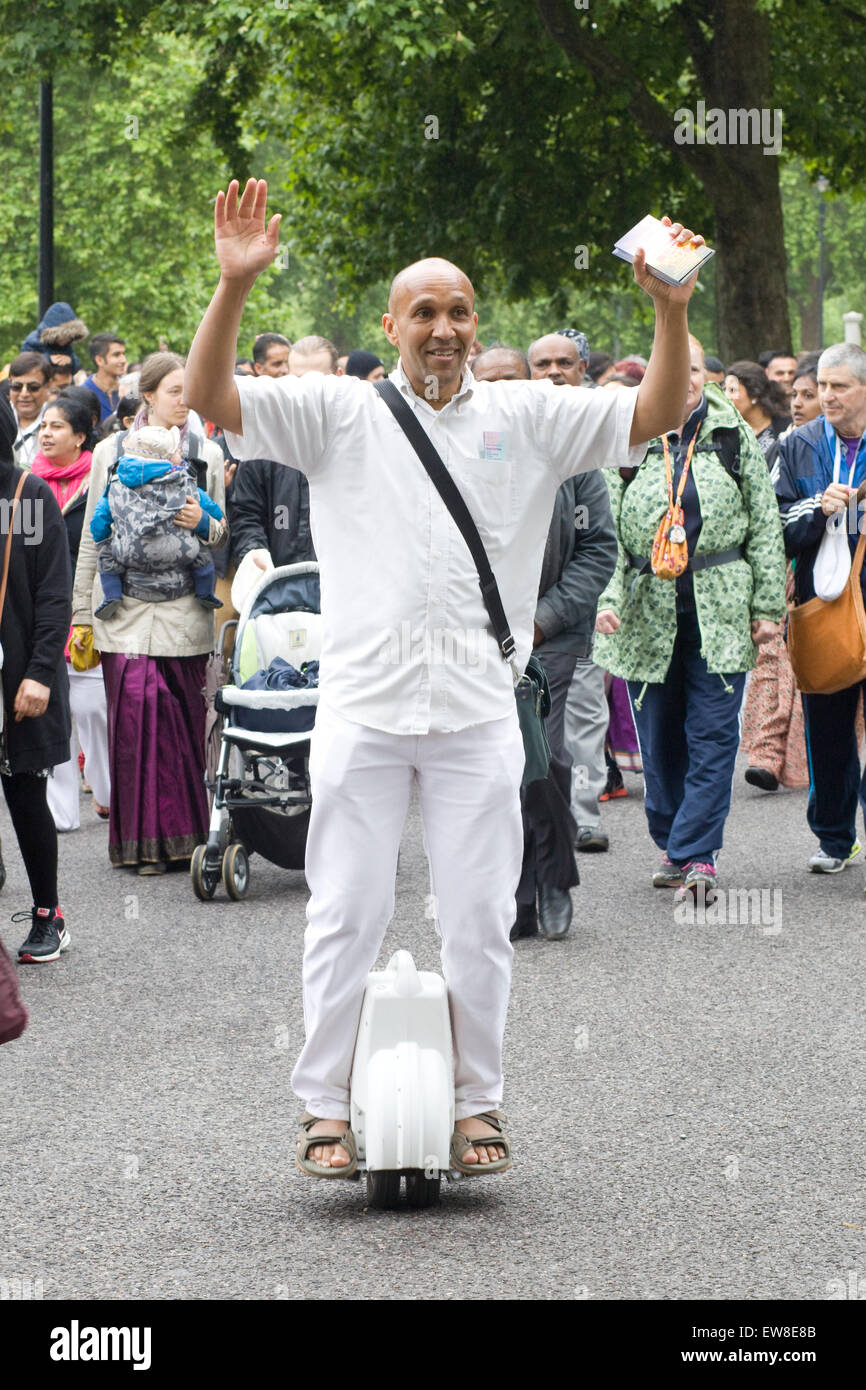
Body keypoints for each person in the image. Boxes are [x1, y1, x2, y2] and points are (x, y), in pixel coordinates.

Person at [185, 177, 702, 1176]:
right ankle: (322, 1107)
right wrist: (233, 287)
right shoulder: (338, 413)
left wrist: (668, 311)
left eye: (459, 310)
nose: (444, 326)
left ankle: (477, 1106)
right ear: (390, 323)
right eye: (423, 310)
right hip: (364, 712)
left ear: (477, 325)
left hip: (474, 711)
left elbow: (658, 409)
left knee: (475, 917)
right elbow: (213, 399)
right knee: (345, 910)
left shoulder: (530, 412)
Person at [594, 335, 786, 898]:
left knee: (712, 734)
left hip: (720, 607)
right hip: (647, 607)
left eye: (696, 368)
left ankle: (697, 853)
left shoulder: (731, 437)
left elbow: (765, 527)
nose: (687, 378)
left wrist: (768, 607)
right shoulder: (629, 437)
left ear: (705, 374)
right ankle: (671, 838)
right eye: (676, 368)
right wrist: (606, 601)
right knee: (659, 739)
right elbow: (604, 533)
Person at [472, 345, 618, 937]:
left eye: (513, 380)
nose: (504, 390)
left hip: (549, 636)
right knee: (489, 768)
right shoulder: (457, 451)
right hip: (473, 636)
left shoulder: (570, 454)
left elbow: (598, 549)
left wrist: (543, 620)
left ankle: (549, 881)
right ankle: (508, 893)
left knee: (542, 757)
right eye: (493, 381)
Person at [71, 352, 227, 874]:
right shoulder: (109, 453)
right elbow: (93, 540)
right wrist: (80, 613)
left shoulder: (204, 450)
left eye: (192, 391)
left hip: (184, 612)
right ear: (150, 395)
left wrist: (199, 522)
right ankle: (141, 849)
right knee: (135, 724)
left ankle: (187, 842)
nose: (186, 401)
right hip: (125, 613)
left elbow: (219, 532)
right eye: (177, 391)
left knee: (183, 728)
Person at [774, 342, 866, 875]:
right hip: (823, 603)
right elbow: (775, 527)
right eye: (821, 386)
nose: (825, 397)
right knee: (827, 726)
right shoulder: (800, 445)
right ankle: (834, 837)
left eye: (839, 387)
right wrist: (817, 506)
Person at [0, 397, 73, 962]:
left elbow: (53, 593)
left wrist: (41, 673)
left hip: (19, 676)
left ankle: (49, 915)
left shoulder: (24, 497)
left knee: (26, 797)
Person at [29, 395, 112, 830]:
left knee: (94, 709)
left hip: (85, 613)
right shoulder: (26, 487)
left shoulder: (97, 485)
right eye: (44, 425)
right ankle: (60, 811)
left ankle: (105, 788)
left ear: (81, 437)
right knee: (52, 713)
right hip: (42, 616)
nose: (46, 432)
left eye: (57, 426)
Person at [90, 424, 223, 618]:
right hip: (180, 552)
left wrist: (101, 540)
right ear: (168, 458)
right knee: (201, 555)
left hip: (129, 553)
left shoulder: (116, 484)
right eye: (176, 451)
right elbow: (210, 508)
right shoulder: (184, 481)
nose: (180, 453)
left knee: (107, 558)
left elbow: (100, 517)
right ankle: (205, 592)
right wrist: (214, 518)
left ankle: (112, 595)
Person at [724, 360, 789, 466]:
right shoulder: (726, 433)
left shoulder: (786, 429)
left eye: (732, 390)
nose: (726, 396)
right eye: (724, 390)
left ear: (754, 394)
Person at [21, 301, 89, 379]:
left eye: (69, 337)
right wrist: (47, 359)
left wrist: (71, 361)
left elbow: (76, 367)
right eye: (63, 337)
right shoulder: (33, 341)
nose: (66, 340)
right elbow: (24, 365)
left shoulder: (66, 346)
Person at [7, 354, 52, 467]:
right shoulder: (3, 419)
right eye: (17, 386)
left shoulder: (60, 423)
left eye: (33, 387)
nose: (24, 394)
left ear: (48, 386)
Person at [82, 334, 128, 422]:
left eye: (123, 354)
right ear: (99, 360)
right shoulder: (84, 393)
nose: (123, 360)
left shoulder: (129, 388)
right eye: (116, 355)